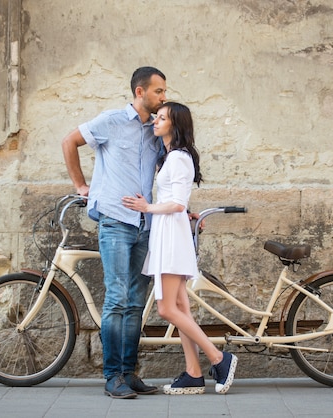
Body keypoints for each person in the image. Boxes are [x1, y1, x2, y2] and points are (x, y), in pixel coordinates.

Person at [61, 66, 167, 399]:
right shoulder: (111, 121)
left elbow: (166, 175)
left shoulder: (157, 130)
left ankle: (129, 373)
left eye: (164, 91)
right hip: (115, 221)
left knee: (135, 303)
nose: (164, 97)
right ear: (140, 92)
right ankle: (112, 376)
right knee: (118, 298)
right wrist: (81, 185)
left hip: (144, 226)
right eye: (158, 91)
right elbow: (70, 141)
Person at [122, 102, 238, 395]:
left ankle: (219, 358)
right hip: (168, 233)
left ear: (175, 126)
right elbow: (177, 202)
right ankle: (193, 373)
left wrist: (147, 206)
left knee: (166, 309)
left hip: (171, 238)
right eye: (157, 117)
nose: (156, 121)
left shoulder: (179, 158)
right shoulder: (171, 157)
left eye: (162, 118)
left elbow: (177, 203)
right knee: (181, 307)